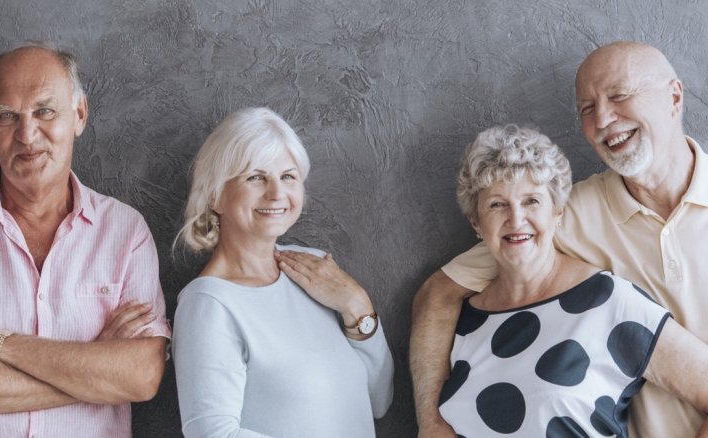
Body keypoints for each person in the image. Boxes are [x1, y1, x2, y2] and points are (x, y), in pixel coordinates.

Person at [411, 41, 708, 437]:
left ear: (674, 96)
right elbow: (442, 291)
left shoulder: (599, 281)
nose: (603, 118)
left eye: (619, 95)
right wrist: (431, 423)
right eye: (587, 109)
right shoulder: (566, 212)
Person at [0, 41, 171, 437]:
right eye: (7, 116)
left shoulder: (126, 232)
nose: (27, 134)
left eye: (45, 111)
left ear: (79, 114)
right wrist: (92, 371)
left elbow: (142, 376)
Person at [172, 107, 394, 437]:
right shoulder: (209, 304)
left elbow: (379, 400)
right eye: (255, 177)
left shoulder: (314, 267)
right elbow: (212, 433)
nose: (276, 193)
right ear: (216, 195)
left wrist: (357, 305)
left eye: (288, 177)